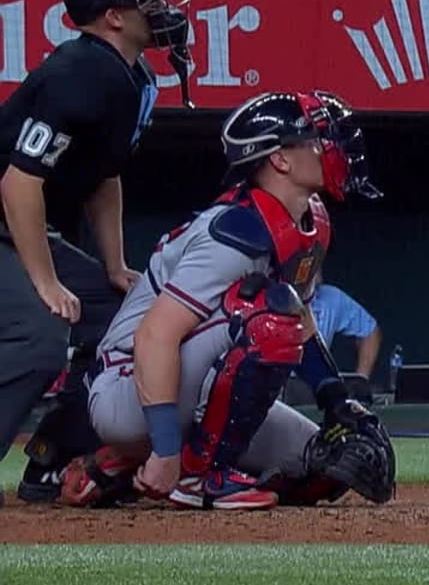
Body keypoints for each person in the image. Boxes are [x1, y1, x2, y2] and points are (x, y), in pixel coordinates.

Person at [71, 91, 396, 511]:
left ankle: (116, 470)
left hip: (202, 387)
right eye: (315, 139)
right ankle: (193, 473)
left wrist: (335, 402)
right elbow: (153, 336)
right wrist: (167, 448)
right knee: (267, 315)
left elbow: (301, 319)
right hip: (128, 386)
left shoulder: (310, 222)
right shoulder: (232, 234)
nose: (330, 148)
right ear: (279, 160)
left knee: (322, 466)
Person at [0, 0, 191, 507]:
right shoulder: (79, 71)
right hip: (9, 222)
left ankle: (53, 458)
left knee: (121, 317)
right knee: (39, 340)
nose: (167, 10)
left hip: (27, 232)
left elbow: (103, 177)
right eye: (152, 0)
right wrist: (44, 280)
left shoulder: (131, 74)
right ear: (114, 15)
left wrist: (112, 265)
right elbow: (18, 183)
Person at [310, 279, 382, 379]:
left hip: (313, 388)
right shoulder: (281, 300)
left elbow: (370, 331)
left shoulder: (329, 297)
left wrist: (359, 382)